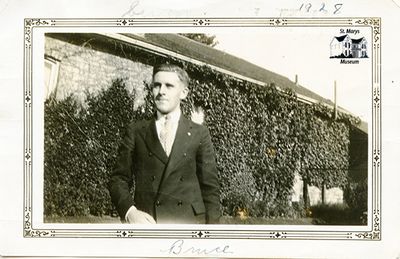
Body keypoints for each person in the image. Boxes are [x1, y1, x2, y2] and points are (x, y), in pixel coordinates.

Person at [108, 64, 220, 224]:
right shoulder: (136, 131)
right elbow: (118, 179)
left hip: (189, 225)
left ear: (183, 93)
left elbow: (210, 189)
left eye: (169, 86)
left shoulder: (199, 133)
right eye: (156, 85)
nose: (161, 91)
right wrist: (130, 212)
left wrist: (212, 234)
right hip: (149, 223)